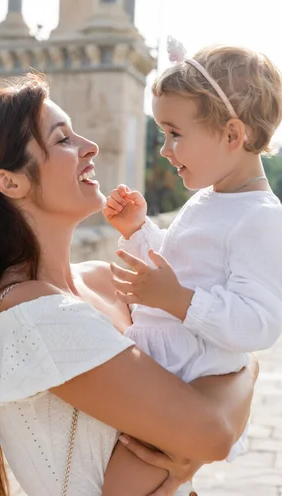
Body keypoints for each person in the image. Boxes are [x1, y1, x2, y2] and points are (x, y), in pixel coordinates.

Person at [0, 73, 256, 496]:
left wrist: (198, 439)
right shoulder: (31, 315)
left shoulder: (106, 280)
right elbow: (214, 433)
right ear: (10, 182)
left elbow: (213, 382)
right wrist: (246, 371)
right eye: (63, 139)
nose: (90, 146)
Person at [104, 38, 282, 493]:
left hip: (188, 388)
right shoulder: (209, 200)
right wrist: (140, 231)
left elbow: (259, 324)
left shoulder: (260, 218)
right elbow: (176, 269)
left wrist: (179, 301)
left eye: (175, 133)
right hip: (165, 376)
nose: (165, 149)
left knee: (124, 486)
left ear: (231, 135)